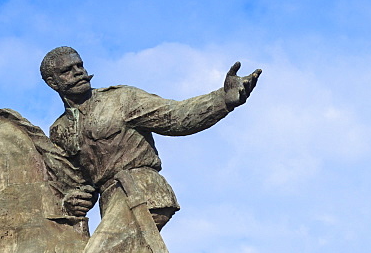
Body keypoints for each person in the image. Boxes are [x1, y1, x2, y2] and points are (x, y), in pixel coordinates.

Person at [41, 46, 261, 228]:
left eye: (80, 65)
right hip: (111, 206)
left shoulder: (121, 99)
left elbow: (176, 116)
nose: (78, 71)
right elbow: (74, 181)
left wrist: (223, 100)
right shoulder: (59, 130)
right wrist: (73, 200)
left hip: (144, 193)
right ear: (53, 83)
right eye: (68, 70)